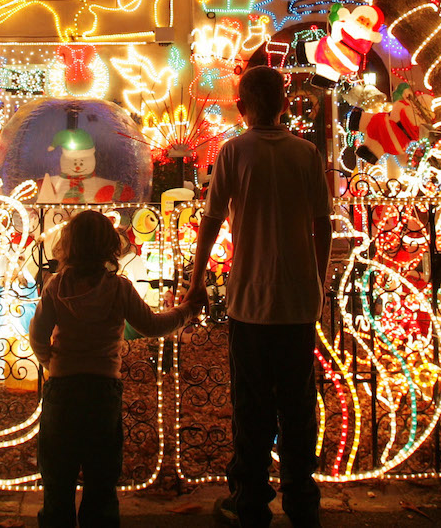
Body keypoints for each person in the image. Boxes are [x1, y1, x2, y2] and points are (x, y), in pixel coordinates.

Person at [183, 65, 333, 528]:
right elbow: (322, 225)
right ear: (285, 104)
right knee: (298, 402)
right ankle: (301, 499)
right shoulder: (306, 154)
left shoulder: (233, 153)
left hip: (249, 300)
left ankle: (250, 500)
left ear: (242, 108)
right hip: (296, 303)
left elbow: (210, 221)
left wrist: (195, 281)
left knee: (251, 405)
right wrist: (319, 282)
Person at [30, 209, 200, 528]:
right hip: (102, 389)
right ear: (110, 247)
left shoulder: (55, 286)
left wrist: (53, 364)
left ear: (68, 246)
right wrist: (186, 311)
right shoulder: (118, 288)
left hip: (62, 389)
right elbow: (151, 325)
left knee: (57, 477)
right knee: (101, 476)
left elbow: (37, 334)